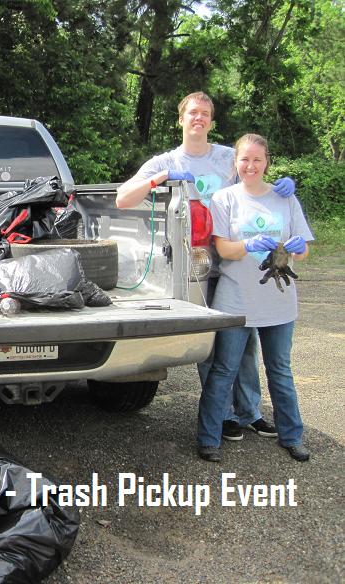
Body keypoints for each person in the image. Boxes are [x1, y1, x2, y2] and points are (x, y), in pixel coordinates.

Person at [116, 91, 295, 441]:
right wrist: (159, 178)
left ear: (212, 122)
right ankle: (225, 415)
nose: (199, 118)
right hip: (194, 267)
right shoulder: (165, 160)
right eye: (193, 112)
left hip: (234, 260)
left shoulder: (228, 158)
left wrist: (281, 188)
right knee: (211, 345)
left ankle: (251, 412)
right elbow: (124, 199)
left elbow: (254, 172)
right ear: (181, 119)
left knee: (245, 342)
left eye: (206, 114)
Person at [197, 133, 313, 462]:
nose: (251, 165)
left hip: (278, 301)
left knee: (280, 370)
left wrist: (298, 247)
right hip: (236, 299)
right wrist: (248, 244)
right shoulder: (225, 198)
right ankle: (208, 438)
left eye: (257, 160)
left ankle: (292, 436)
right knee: (224, 369)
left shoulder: (285, 198)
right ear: (236, 163)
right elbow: (222, 248)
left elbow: (303, 249)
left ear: (267, 162)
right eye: (244, 160)